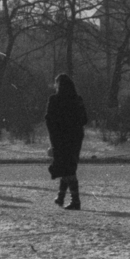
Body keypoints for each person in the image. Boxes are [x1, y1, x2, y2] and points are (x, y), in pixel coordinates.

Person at [44, 73, 89, 210]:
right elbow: (84, 119)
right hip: (75, 137)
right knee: (69, 165)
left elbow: (49, 119)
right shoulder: (77, 99)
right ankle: (61, 196)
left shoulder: (54, 99)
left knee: (66, 167)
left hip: (60, 137)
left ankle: (75, 200)